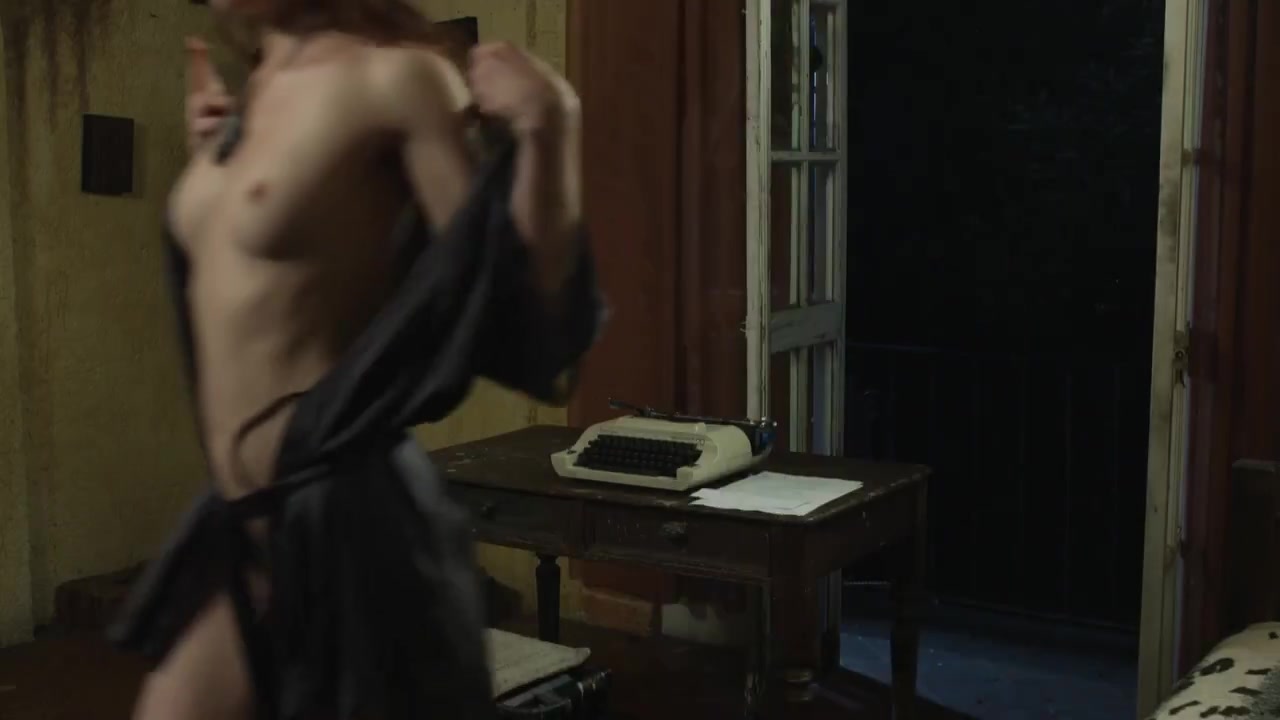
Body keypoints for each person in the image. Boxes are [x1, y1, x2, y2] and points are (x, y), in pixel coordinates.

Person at [108, 1, 602, 719]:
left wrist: (550, 127)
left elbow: (515, 318)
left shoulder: (396, 79)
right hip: (243, 523)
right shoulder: (256, 91)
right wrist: (212, 170)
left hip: (354, 523)